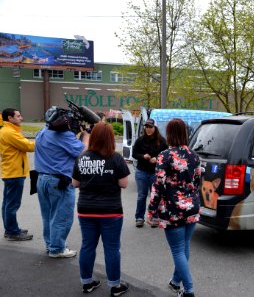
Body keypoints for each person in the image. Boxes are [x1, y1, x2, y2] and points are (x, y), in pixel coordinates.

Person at [72, 122, 130, 296]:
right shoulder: (115, 158)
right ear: (110, 138)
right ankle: (115, 285)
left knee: (87, 245)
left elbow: (75, 183)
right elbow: (124, 183)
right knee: (111, 248)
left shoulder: (82, 157)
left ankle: (87, 282)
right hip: (110, 210)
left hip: (86, 209)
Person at [146, 118, 201, 297]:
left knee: (178, 250)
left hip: (173, 210)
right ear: (185, 133)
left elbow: (158, 185)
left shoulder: (164, 156)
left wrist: (151, 210)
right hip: (192, 207)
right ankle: (176, 282)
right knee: (184, 247)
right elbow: (198, 183)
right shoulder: (194, 156)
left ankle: (189, 290)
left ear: (169, 134)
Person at [34, 109, 90, 258]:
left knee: (48, 216)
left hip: (42, 179)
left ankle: (51, 244)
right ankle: (57, 248)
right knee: (61, 217)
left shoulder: (43, 131)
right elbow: (82, 152)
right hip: (59, 181)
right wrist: (86, 136)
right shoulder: (64, 136)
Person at [0, 108, 35, 241]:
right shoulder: (10, 133)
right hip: (14, 173)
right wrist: (44, 142)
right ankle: (12, 232)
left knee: (8, 203)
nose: (21, 118)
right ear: (10, 118)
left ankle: (10, 228)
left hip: (10, 172)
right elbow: (28, 146)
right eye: (18, 116)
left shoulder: (7, 130)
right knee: (12, 204)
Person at [132, 118, 167, 228]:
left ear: (155, 128)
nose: (148, 129)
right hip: (142, 171)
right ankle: (139, 218)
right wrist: (143, 156)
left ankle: (154, 217)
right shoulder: (140, 140)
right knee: (141, 196)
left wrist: (157, 159)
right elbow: (134, 154)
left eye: (150, 127)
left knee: (155, 196)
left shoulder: (162, 141)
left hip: (155, 172)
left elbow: (166, 155)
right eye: (147, 127)